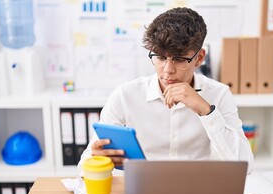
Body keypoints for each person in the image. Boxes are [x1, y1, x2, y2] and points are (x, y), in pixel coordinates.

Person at [78, 7, 254, 174]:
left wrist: (205, 110)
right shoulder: (125, 95)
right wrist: (96, 160)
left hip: (197, 190)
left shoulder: (219, 94)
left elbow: (245, 166)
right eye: (160, 57)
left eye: (179, 59)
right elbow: (83, 166)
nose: (168, 70)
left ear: (199, 58)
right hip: (143, 188)